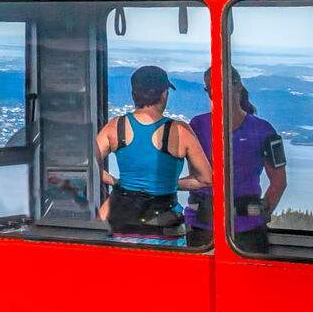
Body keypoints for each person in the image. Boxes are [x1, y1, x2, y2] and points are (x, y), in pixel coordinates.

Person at [94, 63, 212, 236]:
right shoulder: (179, 131)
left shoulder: (115, 127)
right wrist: (171, 184)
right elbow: (206, 179)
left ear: (134, 94)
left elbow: (89, 164)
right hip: (164, 224)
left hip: (121, 221)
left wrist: (115, 181)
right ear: (164, 94)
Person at [186, 69, 288, 245]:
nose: (214, 93)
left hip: (247, 230)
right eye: (209, 89)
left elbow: (279, 182)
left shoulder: (264, 130)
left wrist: (258, 214)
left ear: (238, 86)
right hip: (201, 225)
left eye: (219, 86)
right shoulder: (196, 125)